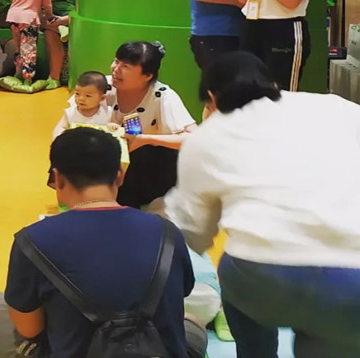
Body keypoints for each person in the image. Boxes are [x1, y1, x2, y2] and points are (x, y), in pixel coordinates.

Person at [166, 51, 360, 357]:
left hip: (264, 275)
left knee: (233, 271)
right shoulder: (337, 107)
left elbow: (195, 233)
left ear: (211, 99)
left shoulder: (210, 134)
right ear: (273, 84)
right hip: (352, 274)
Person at [0, 128, 199, 358]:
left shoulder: (33, 240)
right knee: (192, 325)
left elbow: (29, 329)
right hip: (155, 349)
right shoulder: (167, 232)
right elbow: (179, 298)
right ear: (120, 175)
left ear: (57, 178)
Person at [107, 42, 196, 209]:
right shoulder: (100, 85)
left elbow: (194, 139)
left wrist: (146, 139)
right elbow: (65, 123)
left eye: (126, 66)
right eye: (116, 61)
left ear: (147, 75)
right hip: (106, 161)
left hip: (149, 168)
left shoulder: (163, 96)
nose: (115, 69)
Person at [5, 0, 55, 86]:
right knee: (29, 49)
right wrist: (50, 18)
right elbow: (47, 5)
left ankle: (17, 73)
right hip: (30, 19)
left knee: (18, 47)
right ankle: (28, 78)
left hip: (13, 17)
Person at [42, 0, 80, 87]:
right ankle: (54, 78)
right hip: (51, 20)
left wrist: (64, 20)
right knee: (49, 33)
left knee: (53, 28)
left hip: (74, 19)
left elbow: (85, 10)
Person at [52, 71, 112, 139]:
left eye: (88, 96)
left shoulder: (107, 112)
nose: (81, 99)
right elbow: (60, 127)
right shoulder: (70, 113)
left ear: (102, 98)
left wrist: (113, 126)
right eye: (77, 94)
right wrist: (60, 136)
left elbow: (114, 128)